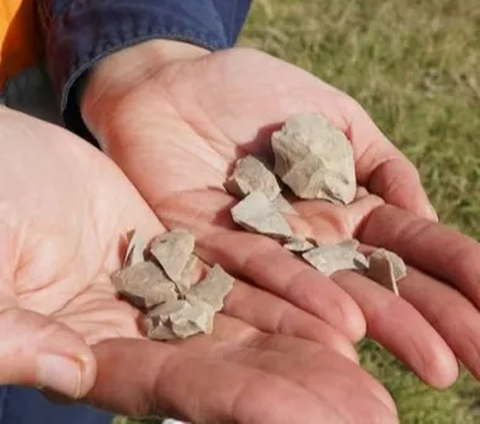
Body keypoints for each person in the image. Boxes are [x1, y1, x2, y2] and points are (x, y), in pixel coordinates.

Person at [2, 1, 480, 423]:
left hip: (49, 58)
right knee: (73, 344)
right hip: (55, 192)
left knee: (76, 375)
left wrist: (147, 48)